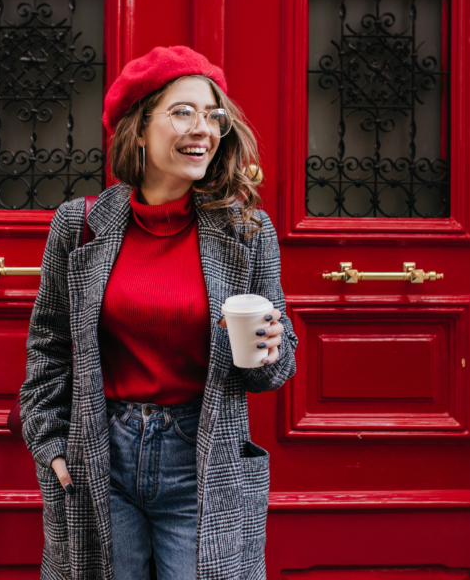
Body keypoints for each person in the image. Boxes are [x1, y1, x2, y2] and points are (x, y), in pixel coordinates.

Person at [19, 45, 298, 580]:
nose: (203, 129)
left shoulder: (247, 231)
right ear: (140, 129)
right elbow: (48, 344)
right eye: (183, 112)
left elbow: (272, 372)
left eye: (213, 116)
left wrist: (270, 349)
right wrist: (50, 442)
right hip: (101, 450)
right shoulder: (80, 226)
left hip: (200, 457)